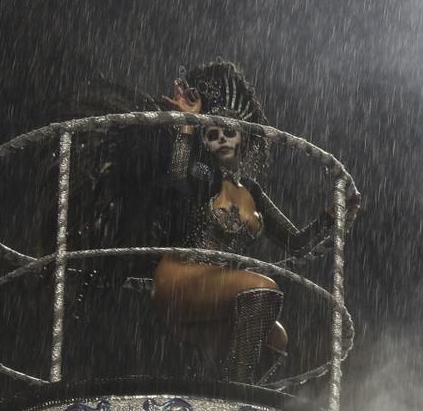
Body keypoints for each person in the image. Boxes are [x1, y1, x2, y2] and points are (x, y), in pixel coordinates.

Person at [150, 60, 354, 382]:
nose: (220, 139)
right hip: (183, 277)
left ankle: (225, 386)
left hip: (221, 289)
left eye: (228, 132)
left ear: (242, 136)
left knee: (277, 338)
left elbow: (296, 243)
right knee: (265, 290)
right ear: (204, 142)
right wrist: (188, 124)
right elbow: (177, 178)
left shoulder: (253, 192)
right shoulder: (202, 176)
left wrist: (331, 217)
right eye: (212, 134)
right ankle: (239, 392)